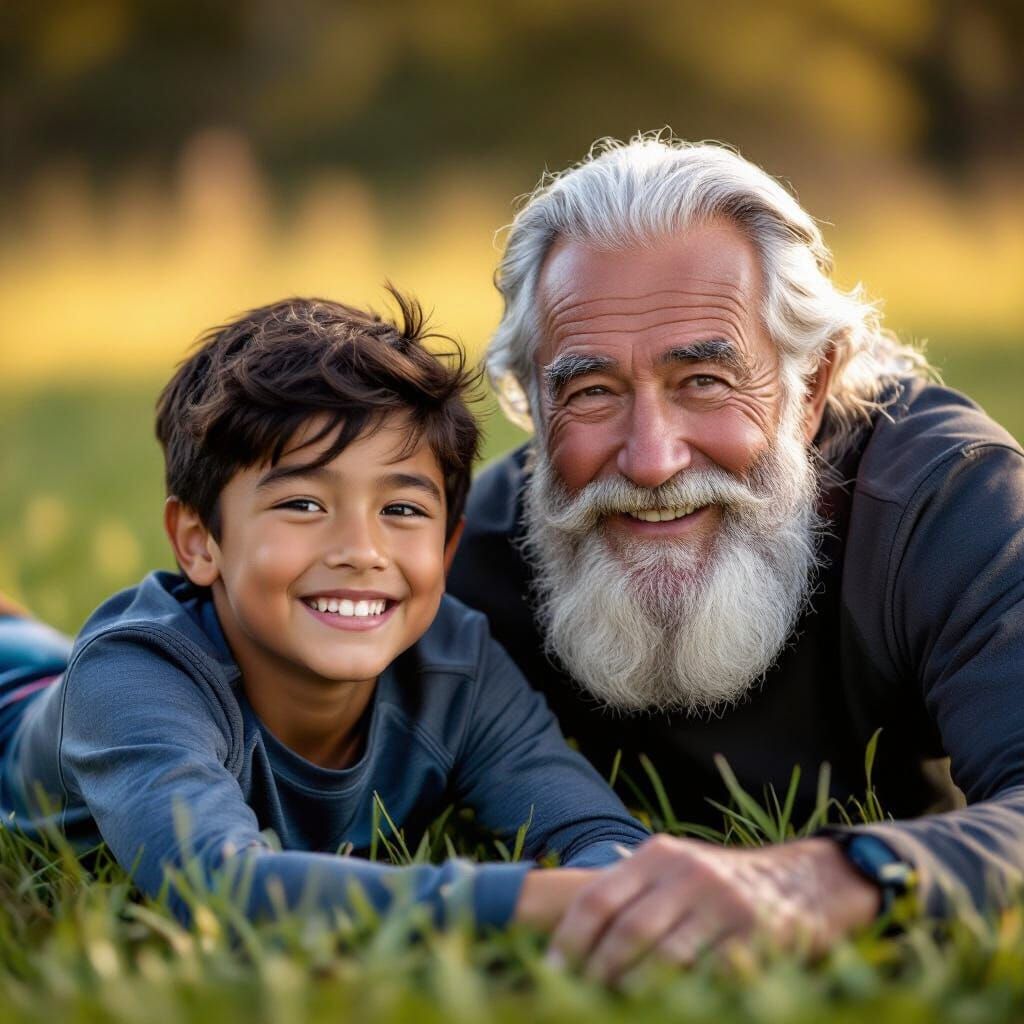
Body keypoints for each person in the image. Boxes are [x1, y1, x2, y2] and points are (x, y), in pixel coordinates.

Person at [447, 134, 1024, 978]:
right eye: (592, 392)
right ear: (535, 407)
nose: (651, 460)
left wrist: (826, 879)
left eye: (705, 382)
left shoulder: (946, 501)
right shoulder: (479, 552)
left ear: (810, 384)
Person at [0, 292, 649, 930]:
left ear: (447, 547)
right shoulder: (132, 678)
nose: (361, 551)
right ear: (199, 542)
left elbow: (599, 836)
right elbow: (220, 886)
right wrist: (536, 901)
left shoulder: (457, 667)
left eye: (402, 509)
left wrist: (640, 889)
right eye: (303, 505)